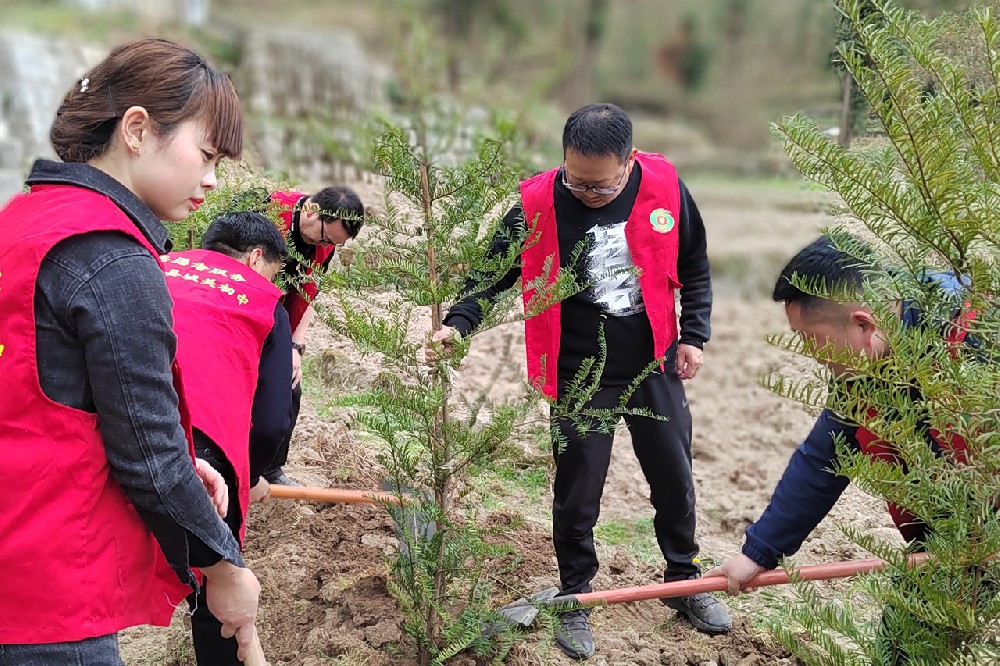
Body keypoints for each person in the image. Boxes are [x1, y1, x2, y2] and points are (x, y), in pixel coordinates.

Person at [431, 102, 730, 659]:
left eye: (600, 186)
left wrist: (694, 334)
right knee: (578, 486)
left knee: (673, 472)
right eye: (576, 180)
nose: (587, 193)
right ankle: (575, 594)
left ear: (629, 161)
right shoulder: (538, 201)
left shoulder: (664, 184)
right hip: (578, 370)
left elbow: (693, 262)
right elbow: (492, 272)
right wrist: (458, 323)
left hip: (652, 362)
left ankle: (682, 578)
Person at [0, 39, 260, 664]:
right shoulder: (112, 257)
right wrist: (224, 568)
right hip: (51, 597)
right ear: (138, 129)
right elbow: (148, 454)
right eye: (205, 153)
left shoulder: (23, 219)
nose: (212, 179)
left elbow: (45, 393)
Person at [704, 235, 980, 661]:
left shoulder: (976, 339)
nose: (814, 356)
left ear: (864, 323)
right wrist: (758, 552)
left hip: (987, 524)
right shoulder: (864, 370)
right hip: (950, 537)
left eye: (813, 341)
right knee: (903, 649)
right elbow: (823, 458)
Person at [163, 211, 293, 665]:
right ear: (257, 259)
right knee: (215, 583)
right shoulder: (262, 299)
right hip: (205, 452)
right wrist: (251, 474)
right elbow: (274, 420)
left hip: (122, 429)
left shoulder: (157, 264)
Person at [263, 185, 365, 486]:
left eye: (332, 243)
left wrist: (295, 346)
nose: (324, 244)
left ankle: (271, 468)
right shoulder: (272, 212)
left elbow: (309, 291)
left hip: (280, 313)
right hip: (245, 304)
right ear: (311, 210)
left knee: (290, 386)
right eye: (323, 237)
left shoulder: (326, 242)